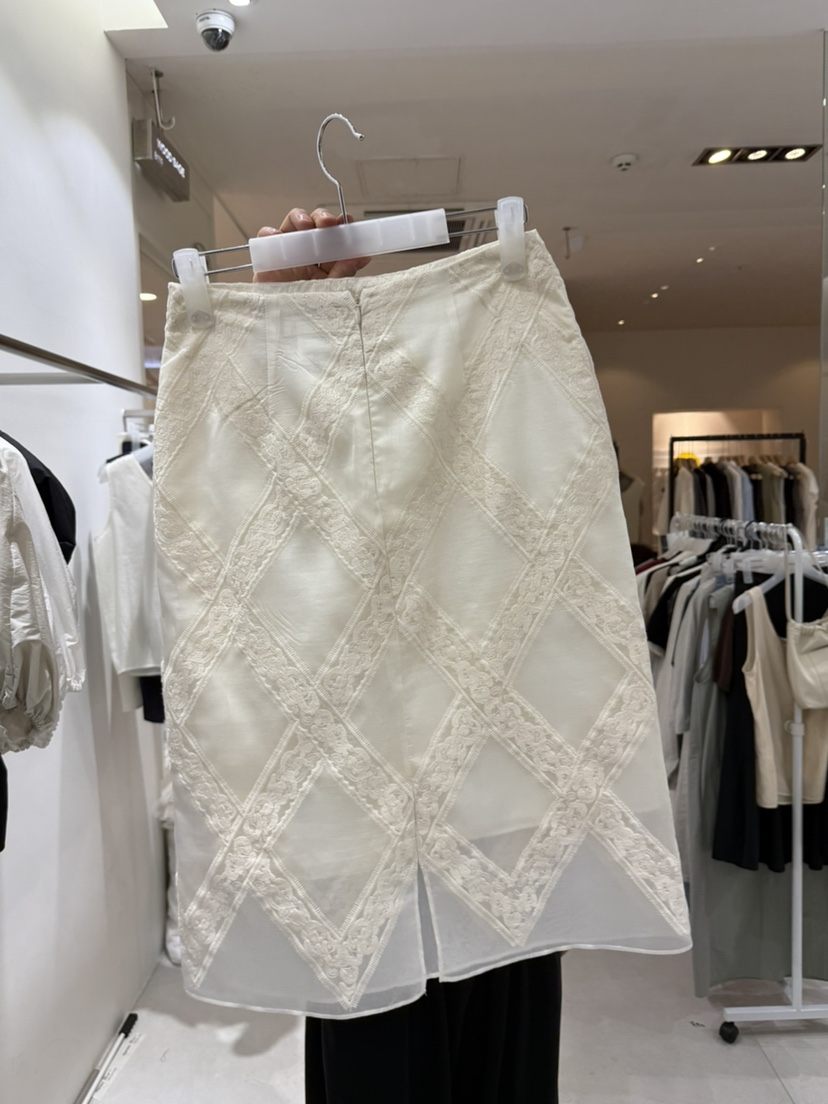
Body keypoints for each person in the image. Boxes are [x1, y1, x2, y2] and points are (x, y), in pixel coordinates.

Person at [250, 207, 563, 1104]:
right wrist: (280, 329)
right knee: (379, 1059)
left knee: (493, 1052)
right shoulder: (296, 457)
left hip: (496, 815)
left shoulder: (510, 405)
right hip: (361, 834)